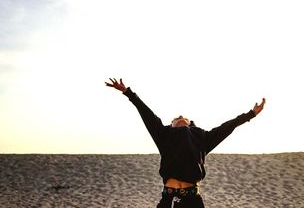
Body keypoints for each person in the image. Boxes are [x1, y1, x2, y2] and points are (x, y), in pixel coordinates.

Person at [106, 78, 266, 208]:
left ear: (190, 123)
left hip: (193, 201)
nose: (180, 116)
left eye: (184, 117)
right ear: (171, 124)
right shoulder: (164, 134)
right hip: (168, 198)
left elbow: (226, 127)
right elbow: (146, 113)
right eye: (176, 118)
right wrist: (128, 92)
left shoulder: (202, 138)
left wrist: (250, 114)